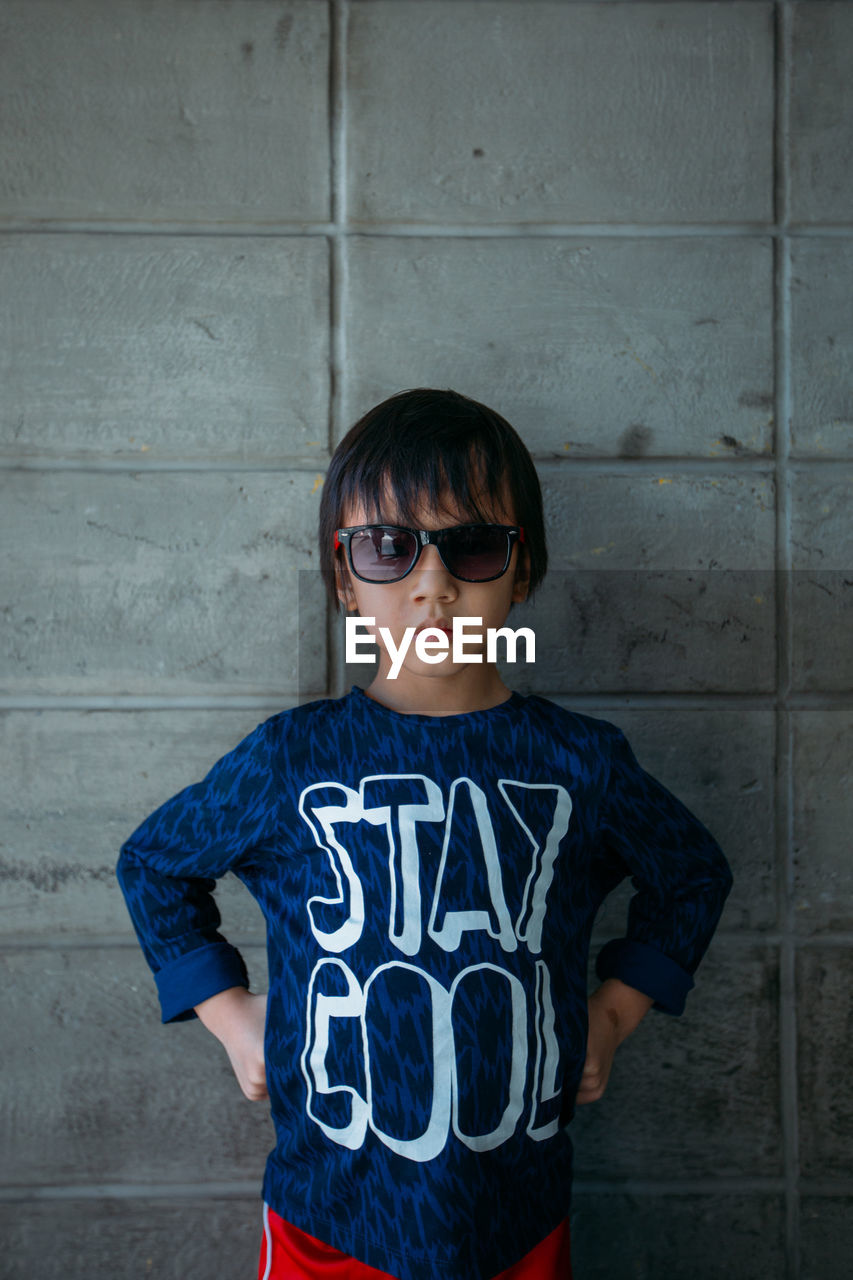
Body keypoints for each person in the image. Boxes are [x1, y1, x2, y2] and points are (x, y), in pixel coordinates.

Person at [117, 387, 733, 1280]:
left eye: (472, 546)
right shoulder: (294, 759)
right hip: (330, 1218)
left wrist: (611, 1015)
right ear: (341, 576)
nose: (431, 583)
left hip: (516, 1213)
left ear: (522, 571)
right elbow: (155, 865)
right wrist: (231, 1019)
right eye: (388, 547)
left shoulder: (577, 760)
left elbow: (690, 875)